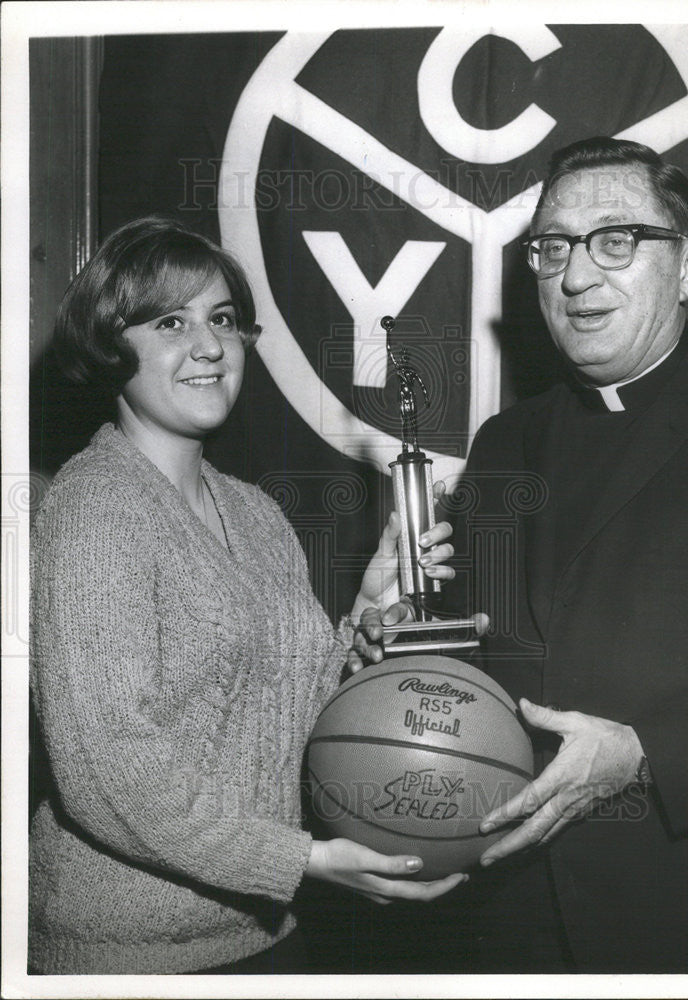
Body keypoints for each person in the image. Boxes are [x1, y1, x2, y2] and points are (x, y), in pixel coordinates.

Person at [28, 216, 467, 975]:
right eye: (171, 321)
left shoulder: (255, 513)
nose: (209, 346)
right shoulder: (91, 508)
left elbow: (281, 718)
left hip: (266, 932)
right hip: (129, 955)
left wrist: (365, 611)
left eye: (224, 320)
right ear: (109, 342)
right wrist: (302, 859)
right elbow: (106, 772)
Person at [423, 136, 688, 974]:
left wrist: (645, 752)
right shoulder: (505, 441)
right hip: (510, 918)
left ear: (687, 267)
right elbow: (475, 655)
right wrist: (402, 638)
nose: (575, 277)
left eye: (615, 240)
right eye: (552, 248)